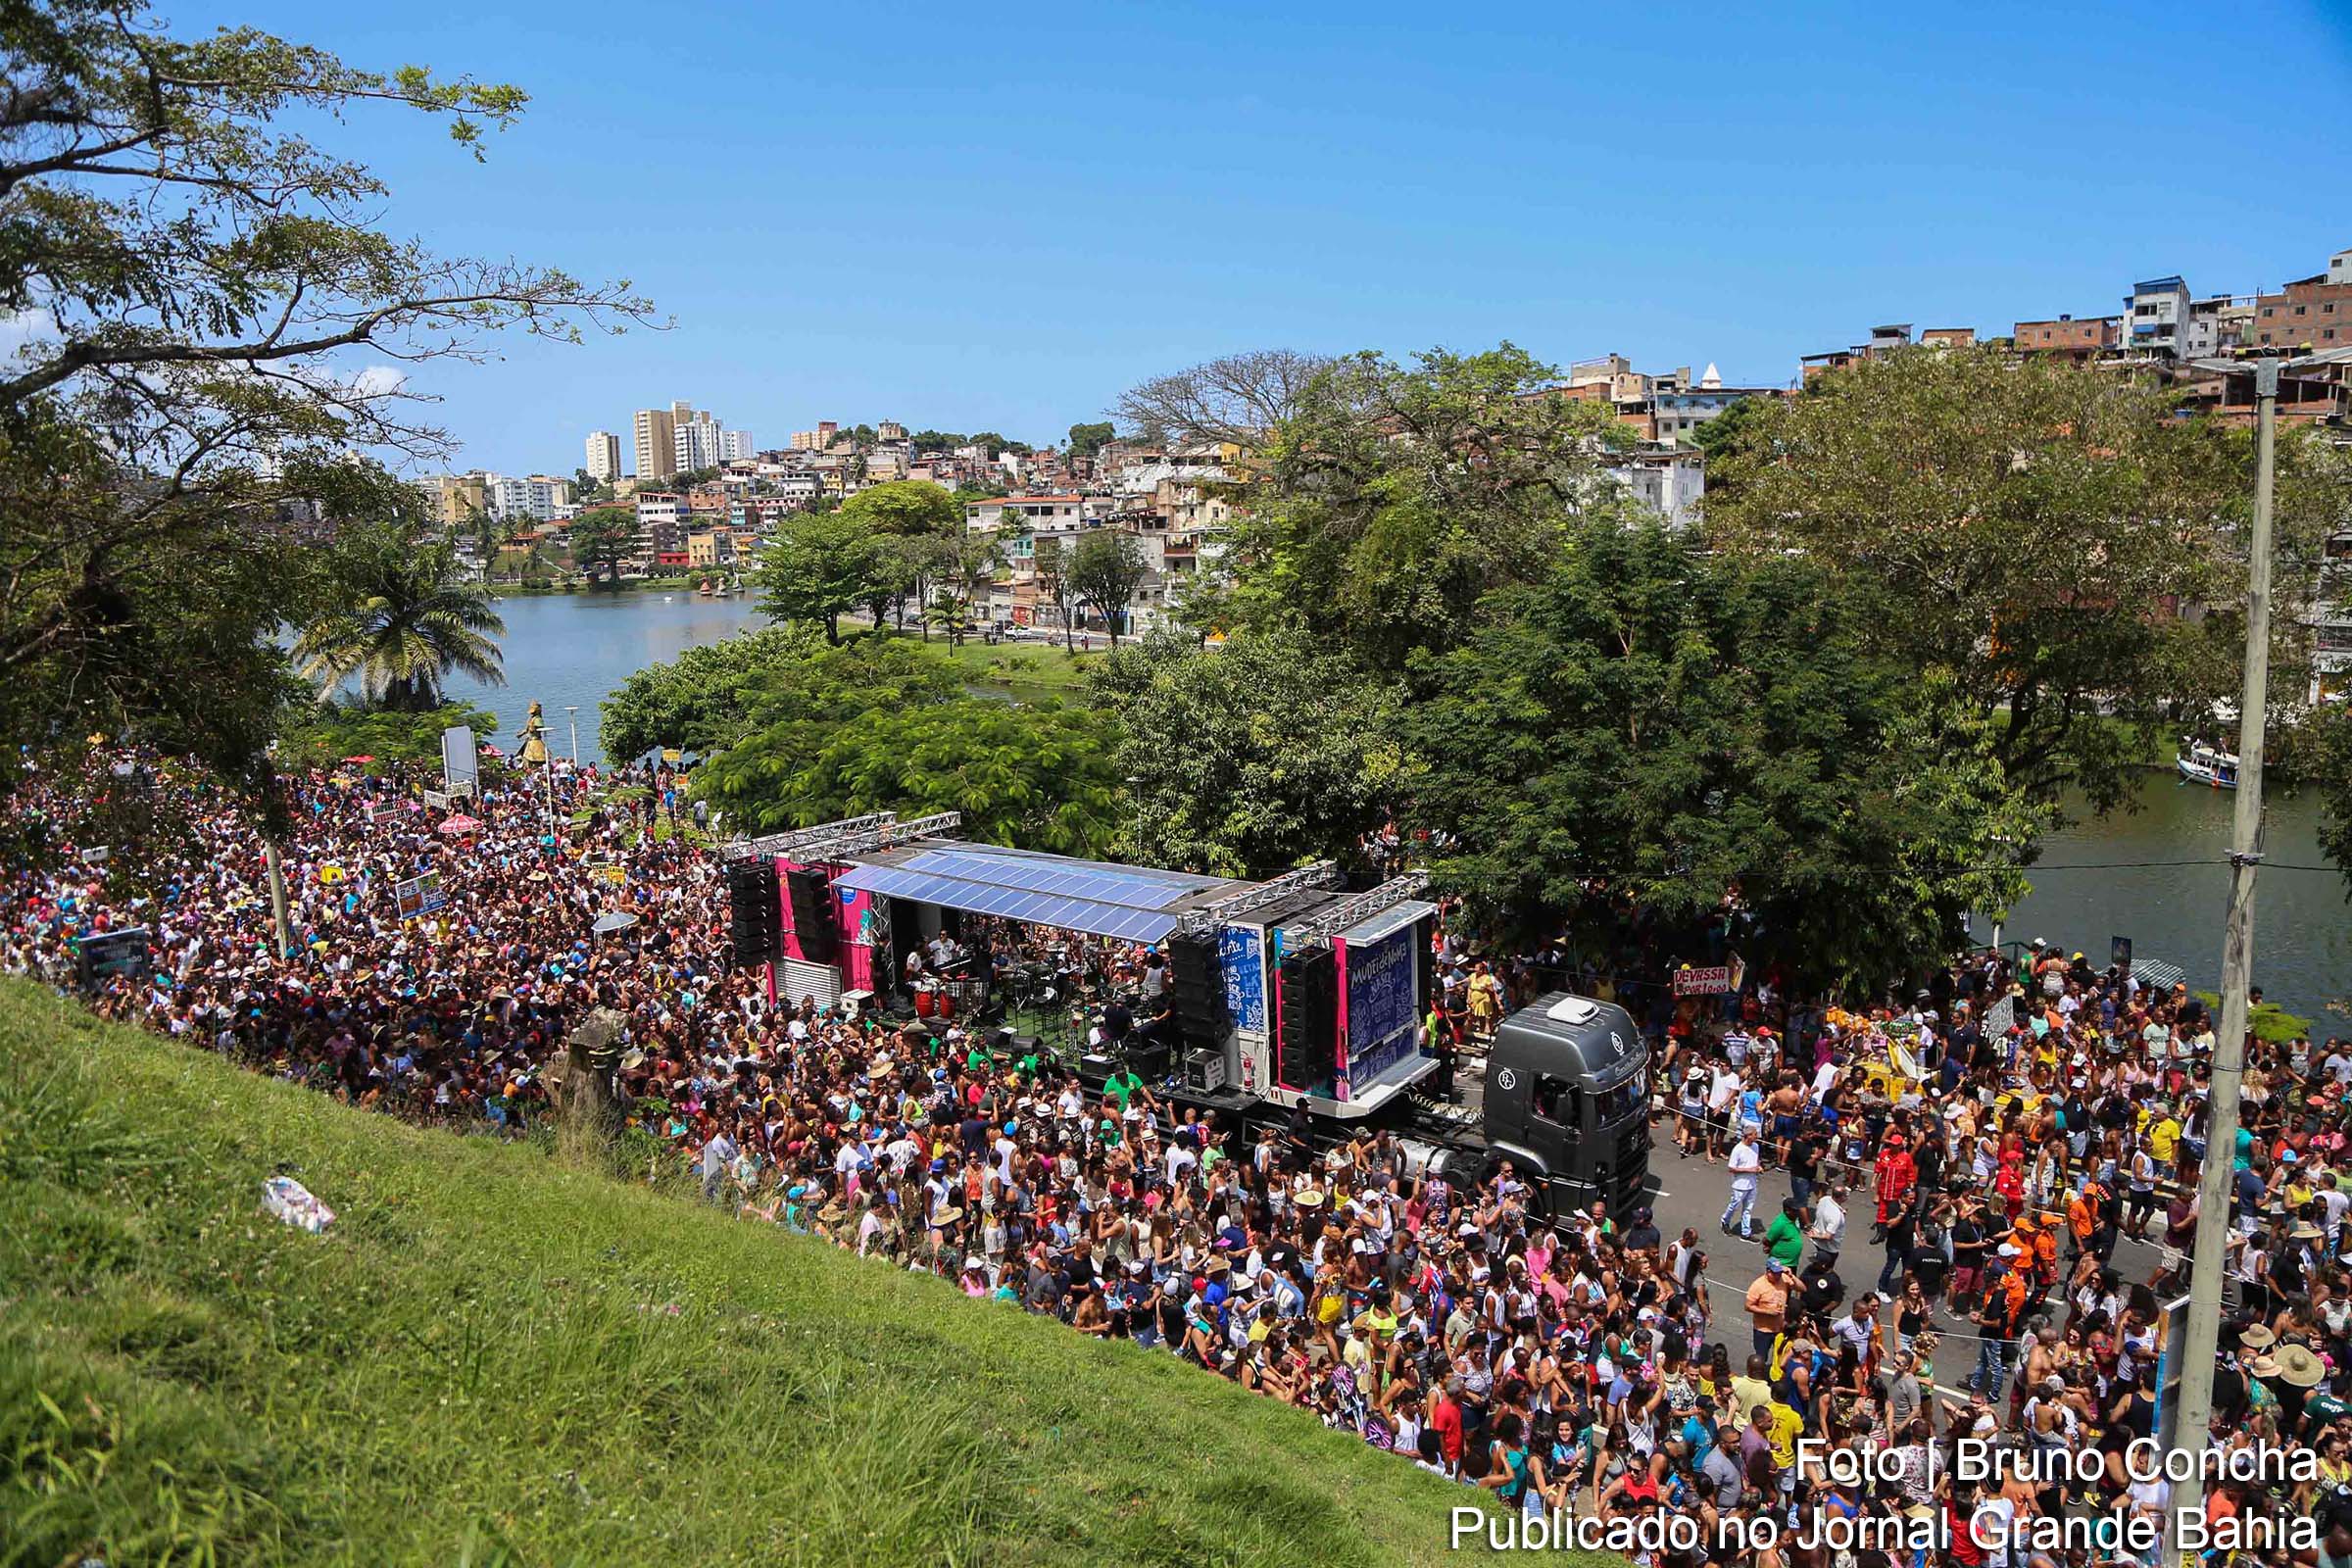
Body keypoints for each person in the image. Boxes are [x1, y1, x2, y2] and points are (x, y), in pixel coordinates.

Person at [1722, 1129, 1762, 1239]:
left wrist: (1758, 1166)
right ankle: (1725, 1221)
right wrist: (1750, 1170)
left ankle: (1745, 1232)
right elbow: (1731, 1168)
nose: (1757, 1137)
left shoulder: (1756, 1146)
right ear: (1747, 1135)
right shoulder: (1738, 1149)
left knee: (1748, 1208)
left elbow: (1756, 1159)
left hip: (1752, 1183)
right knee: (1734, 1205)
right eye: (1754, 1135)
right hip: (1740, 1184)